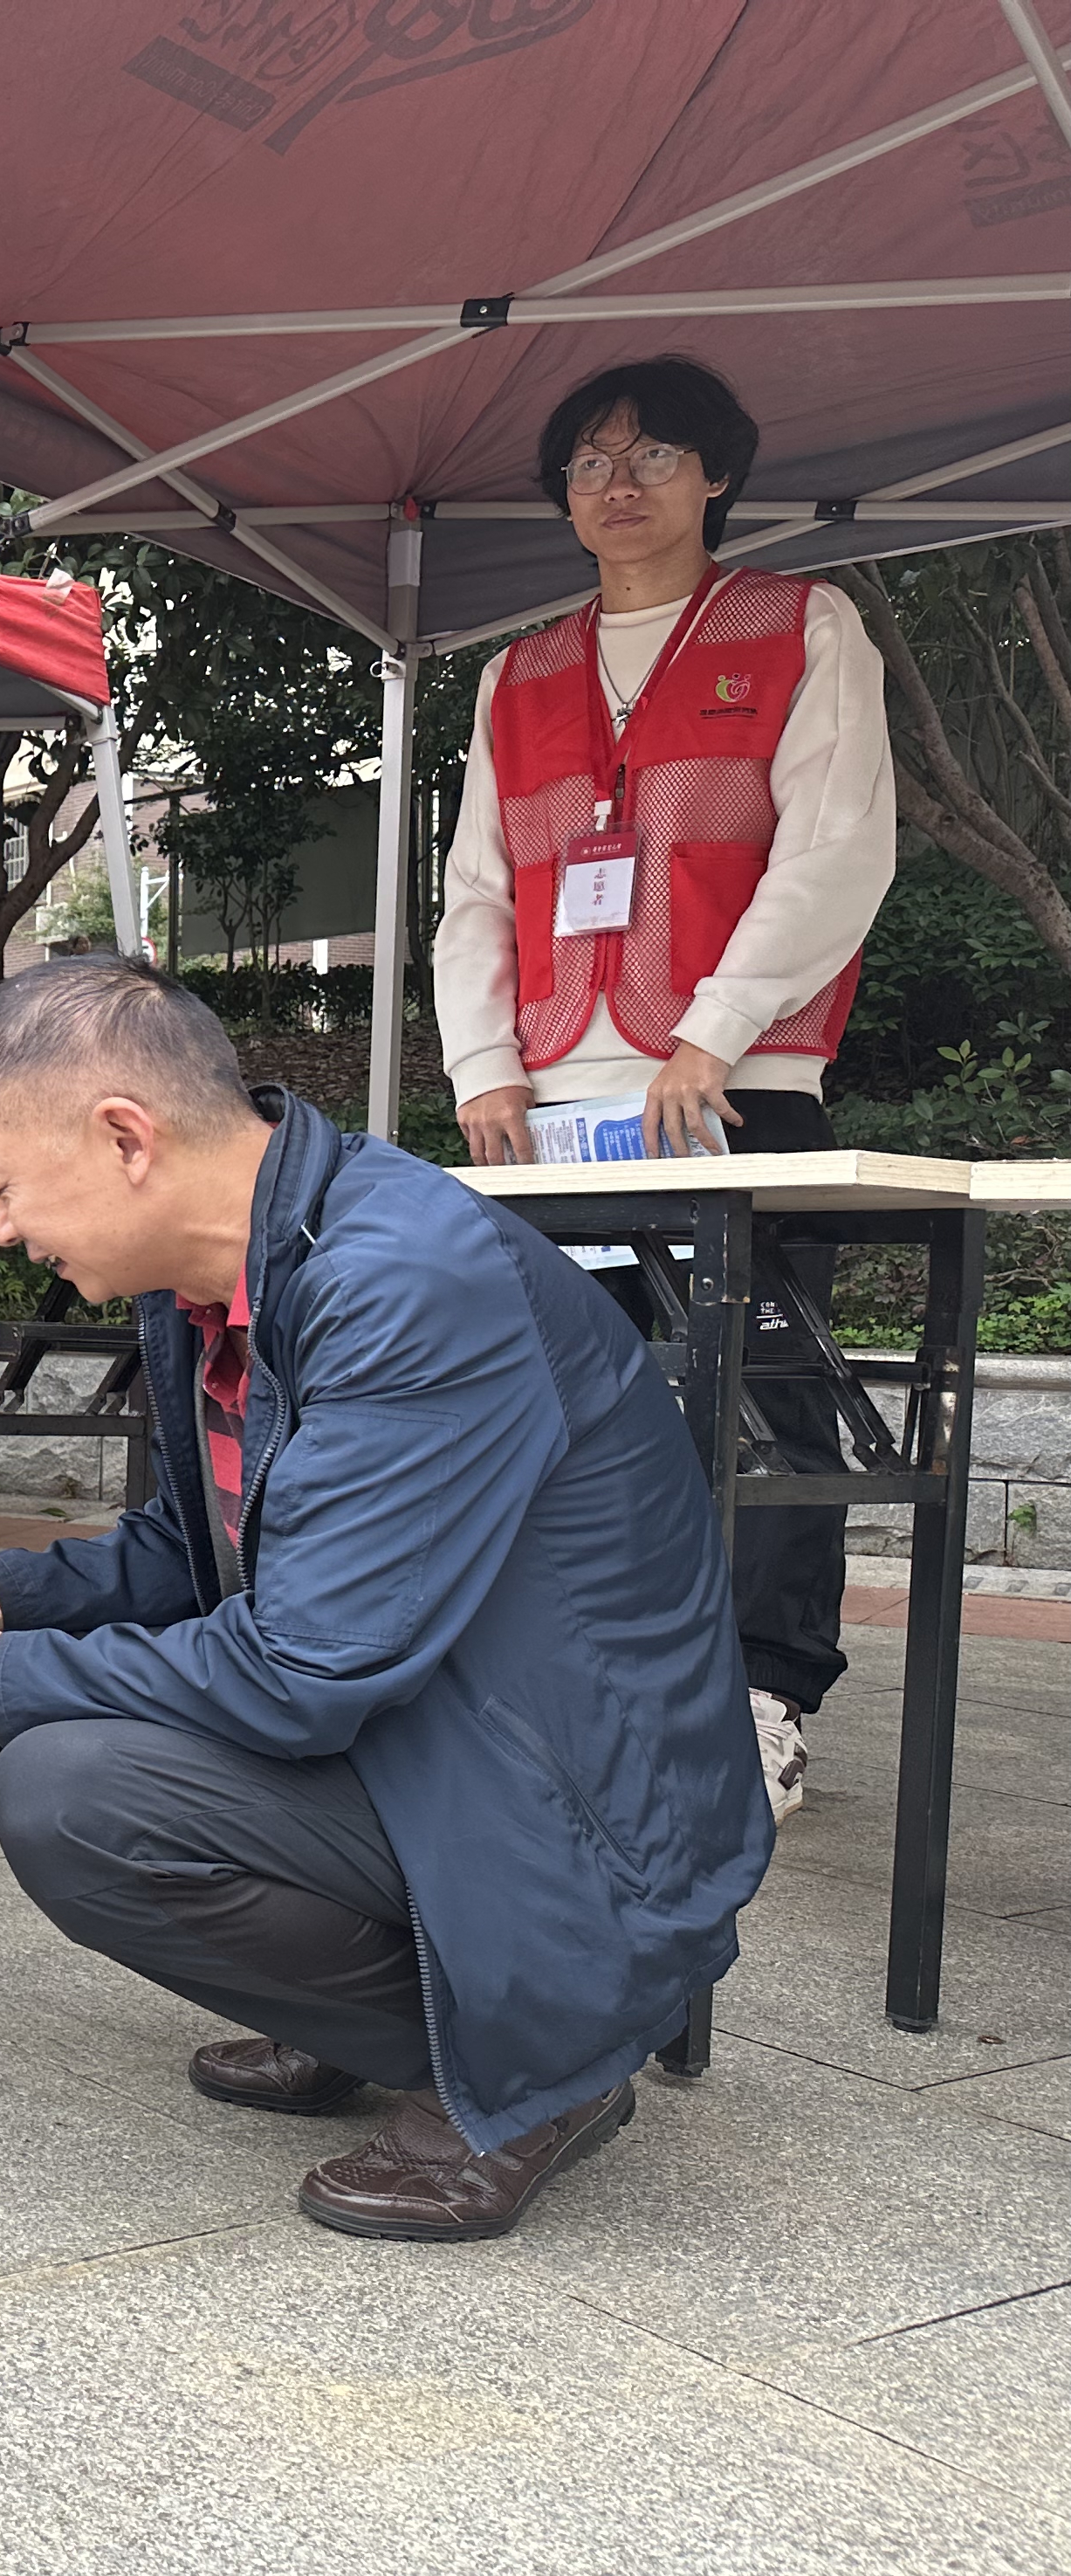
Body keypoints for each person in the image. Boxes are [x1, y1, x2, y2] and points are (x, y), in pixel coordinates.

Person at [0, 958, 765, 2242]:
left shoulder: (404, 1285)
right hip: (423, 1729)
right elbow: (193, 1546)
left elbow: (308, 1667)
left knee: (68, 1790)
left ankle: (545, 2062)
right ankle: (360, 2018)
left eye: (1, 1186)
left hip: (571, 1809)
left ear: (124, 1139)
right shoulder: (219, 1275)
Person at [432, 356, 895, 1825]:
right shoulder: (518, 674)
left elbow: (835, 852)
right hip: (552, 1106)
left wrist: (717, 1027)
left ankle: (761, 1693)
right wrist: (480, 1068)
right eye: (584, 462)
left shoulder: (800, 627)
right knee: (563, 1403)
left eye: (651, 455)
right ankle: (592, 1676)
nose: (615, 483)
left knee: (768, 1400)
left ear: (715, 477)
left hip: (733, 1086)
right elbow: (475, 894)